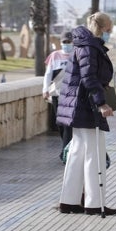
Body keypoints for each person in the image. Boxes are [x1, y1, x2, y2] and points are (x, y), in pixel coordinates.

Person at [56, 12, 116, 216]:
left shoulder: (84, 45)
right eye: (109, 30)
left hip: (79, 106)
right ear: (103, 29)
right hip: (86, 107)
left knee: (78, 152)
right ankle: (94, 203)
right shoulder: (89, 47)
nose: (110, 34)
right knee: (94, 153)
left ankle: (69, 201)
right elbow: (89, 78)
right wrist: (101, 104)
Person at [43, 30, 74, 161]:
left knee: (68, 124)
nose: (67, 44)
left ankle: (65, 152)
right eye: (64, 42)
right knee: (60, 123)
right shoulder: (54, 56)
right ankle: (67, 147)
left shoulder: (76, 55)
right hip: (57, 94)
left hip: (71, 95)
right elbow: (48, 74)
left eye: (69, 42)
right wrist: (45, 89)